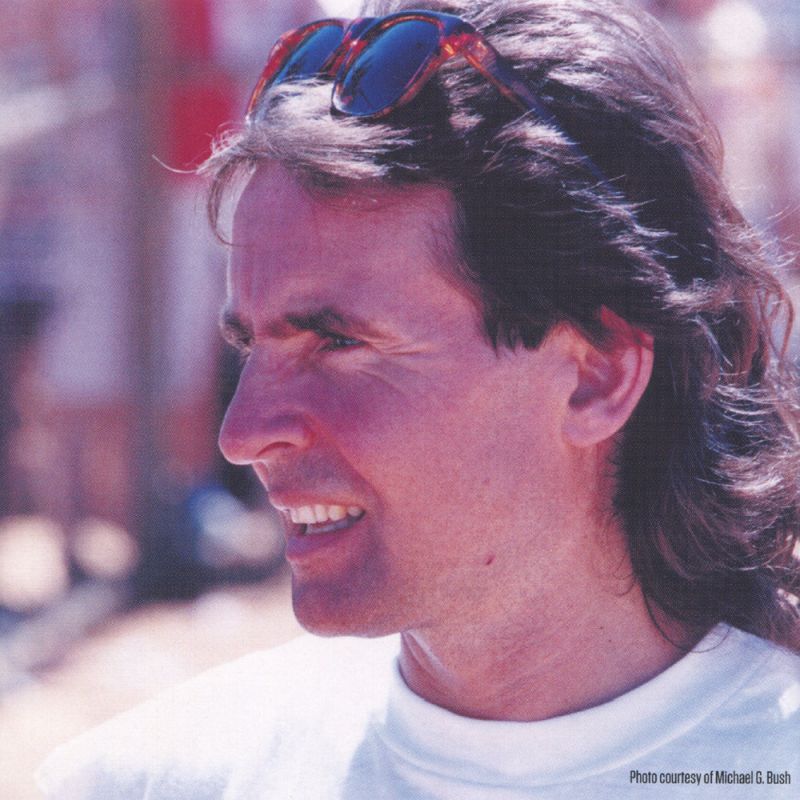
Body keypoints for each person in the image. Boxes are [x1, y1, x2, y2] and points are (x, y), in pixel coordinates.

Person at [38, 0, 800, 797]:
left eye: (338, 343)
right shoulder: (148, 781)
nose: (243, 433)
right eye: (248, 347)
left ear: (597, 375)